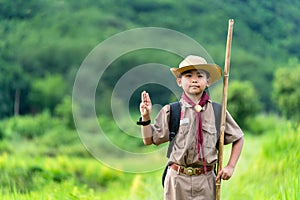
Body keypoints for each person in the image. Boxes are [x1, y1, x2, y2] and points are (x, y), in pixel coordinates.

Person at [138, 55, 244, 199]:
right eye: (188, 75)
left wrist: (230, 166)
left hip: (206, 180)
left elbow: (238, 137)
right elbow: (149, 140)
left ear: (208, 81)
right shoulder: (171, 111)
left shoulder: (218, 111)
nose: (194, 79)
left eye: (199, 76)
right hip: (177, 179)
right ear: (179, 81)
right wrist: (145, 117)